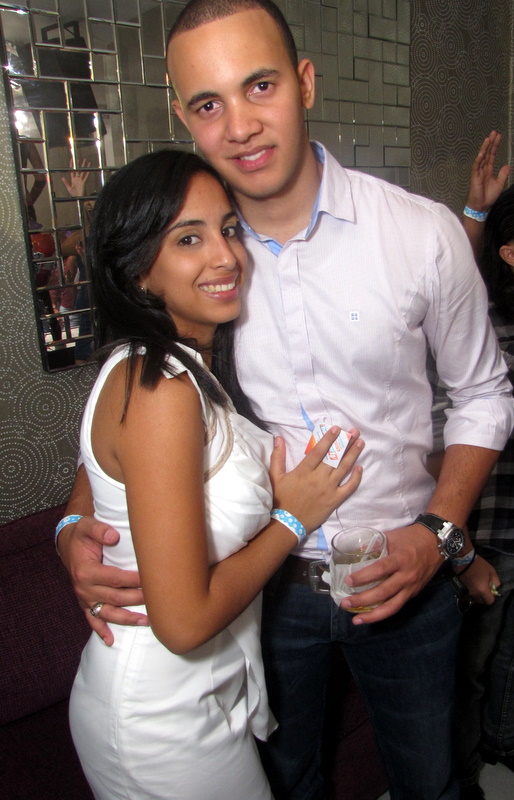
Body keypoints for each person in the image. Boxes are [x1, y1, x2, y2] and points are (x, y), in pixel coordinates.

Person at [57, 2, 514, 798]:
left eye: (260, 86)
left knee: (432, 782)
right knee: (287, 781)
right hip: (258, 593)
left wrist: (438, 533)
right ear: (184, 118)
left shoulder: (422, 234)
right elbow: (141, 407)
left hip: (404, 572)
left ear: (304, 83)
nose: (239, 126)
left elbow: (482, 392)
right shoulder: (196, 262)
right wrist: (74, 527)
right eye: (209, 104)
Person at [67, 148, 364, 800]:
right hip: (159, 713)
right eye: (188, 238)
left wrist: (69, 526)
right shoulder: (160, 388)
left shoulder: (177, 367)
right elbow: (183, 622)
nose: (226, 256)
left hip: (202, 692)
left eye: (228, 229)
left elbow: (105, 478)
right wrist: (292, 518)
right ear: (138, 270)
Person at [450, 138, 514, 800]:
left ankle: (504, 742)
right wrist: (475, 212)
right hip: (489, 525)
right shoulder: (489, 325)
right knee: (472, 662)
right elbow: (451, 285)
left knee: (513, 656)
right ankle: (465, 772)